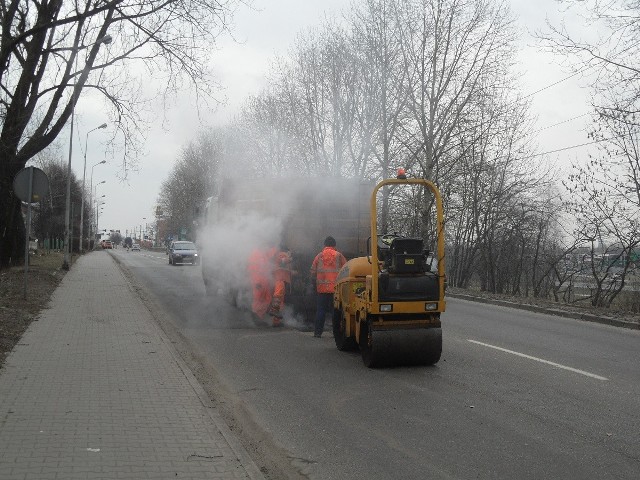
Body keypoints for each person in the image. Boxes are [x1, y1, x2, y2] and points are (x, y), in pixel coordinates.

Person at [310, 236, 347, 338]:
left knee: (321, 310)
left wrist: (315, 281)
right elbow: (346, 269)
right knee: (335, 312)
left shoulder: (319, 256)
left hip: (322, 289)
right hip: (335, 289)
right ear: (334, 245)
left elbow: (312, 271)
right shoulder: (339, 256)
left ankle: (317, 333)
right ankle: (336, 334)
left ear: (325, 245)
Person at [268, 245, 293, 327]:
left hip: (281, 277)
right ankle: (273, 310)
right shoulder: (282, 254)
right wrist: (289, 258)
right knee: (278, 294)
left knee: (281, 300)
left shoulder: (278, 254)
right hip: (279, 277)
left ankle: (276, 321)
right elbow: (282, 261)